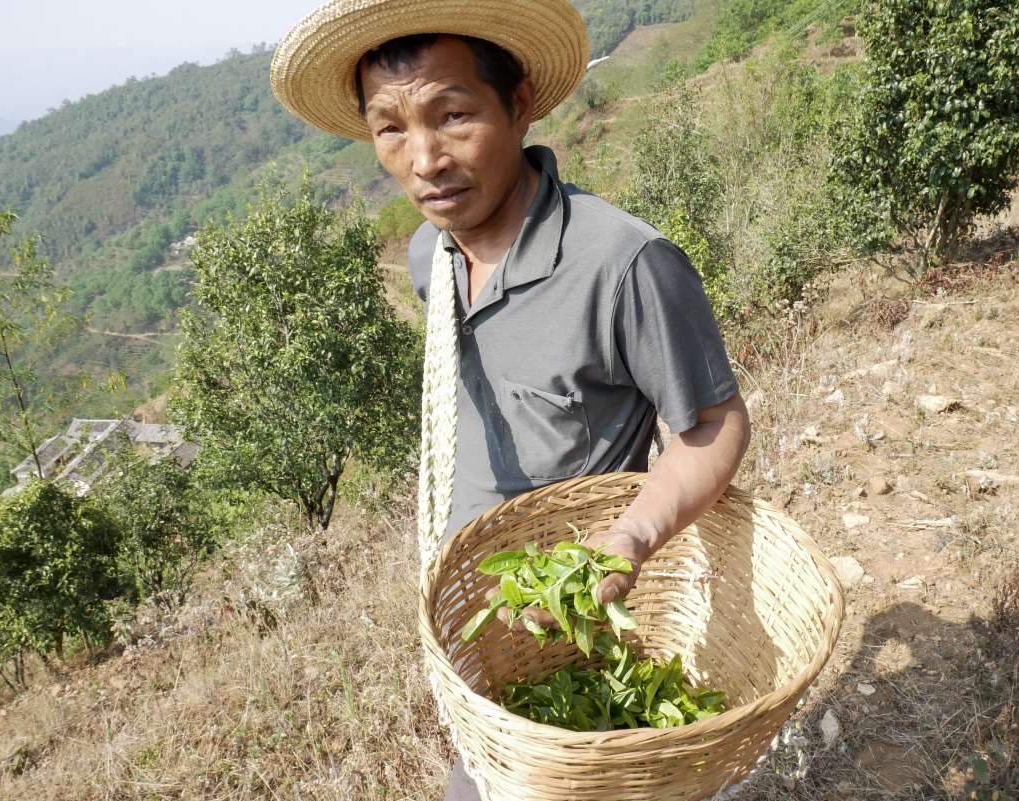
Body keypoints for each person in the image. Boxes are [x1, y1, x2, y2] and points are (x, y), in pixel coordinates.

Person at [271, 3, 751, 798]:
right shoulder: (432, 255)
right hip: (476, 627)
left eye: (453, 115)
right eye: (389, 128)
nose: (423, 159)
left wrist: (629, 536)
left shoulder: (623, 264)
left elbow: (714, 423)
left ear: (519, 102)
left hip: (571, 624)